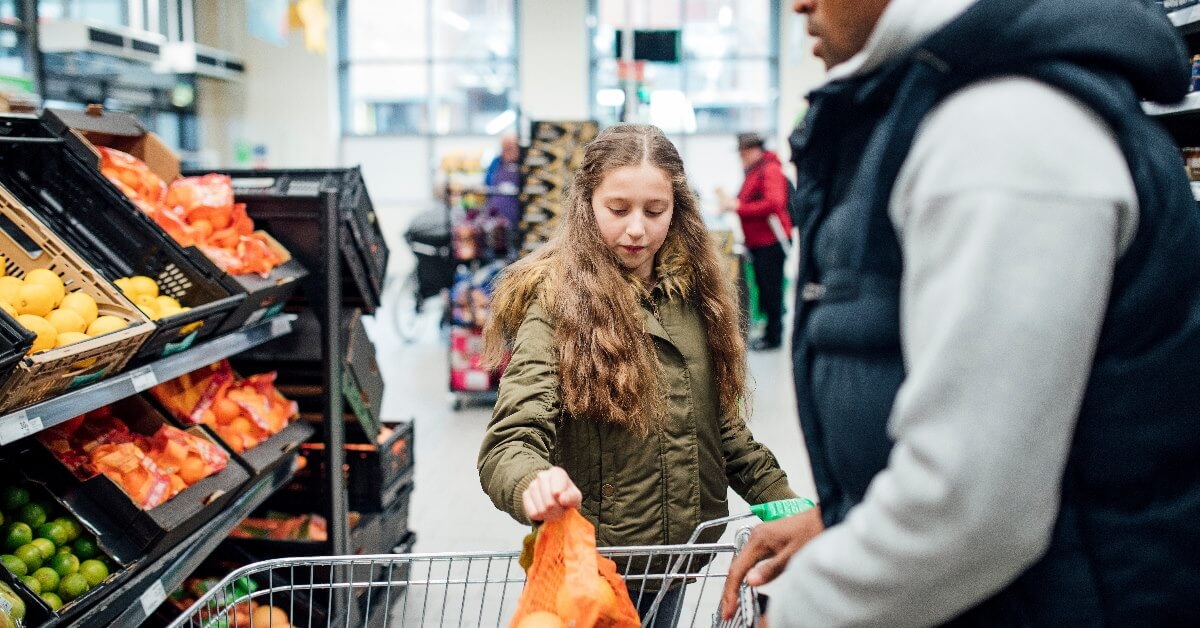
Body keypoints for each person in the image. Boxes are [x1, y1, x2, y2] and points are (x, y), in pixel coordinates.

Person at [722, 0, 1200, 625]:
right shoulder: (935, 110)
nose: (799, 5)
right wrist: (838, 522)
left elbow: (973, 510)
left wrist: (804, 611)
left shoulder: (1003, 131)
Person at [477, 123, 797, 625]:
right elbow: (510, 441)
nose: (636, 229)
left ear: (677, 208)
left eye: (655, 211)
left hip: (677, 562)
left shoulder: (697, 299)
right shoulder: (556, 303)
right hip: (596, 573)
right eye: (618, 209)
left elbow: (723, 431)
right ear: (587, 205)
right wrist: (533, 481)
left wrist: (786, 505)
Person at [719, 132, 793, 351]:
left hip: (770, 241)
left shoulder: (769, 170)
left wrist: (738, 207)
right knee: (766, 287)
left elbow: (774, 203)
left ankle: (774, 337)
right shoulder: (755, 171)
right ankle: (770, 333)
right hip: (759, 242)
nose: (741, 157)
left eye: (743, 153)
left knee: (772, 289)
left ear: (754, 150)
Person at [484, 133, 522, 229]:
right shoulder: (495, 162)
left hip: (517, 216)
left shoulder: (523, 164)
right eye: (505, 148)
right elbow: (487, 183)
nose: (507, 152)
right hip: (496, 217)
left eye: (511, 148)